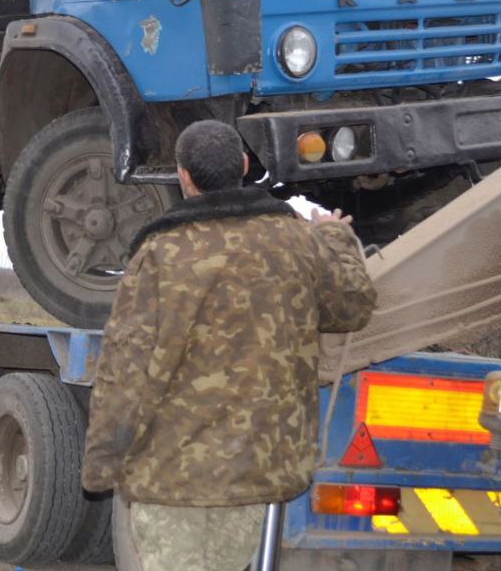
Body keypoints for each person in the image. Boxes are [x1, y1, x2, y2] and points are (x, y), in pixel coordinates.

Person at [81, 120, 377, 571]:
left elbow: (125, 372)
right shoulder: (297, 242)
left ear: (183, 176)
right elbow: (352, 306)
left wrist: (101, 466)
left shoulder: (161, 253)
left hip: (172, 479)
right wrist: (333, 235)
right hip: (252, 476)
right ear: (242, 166)